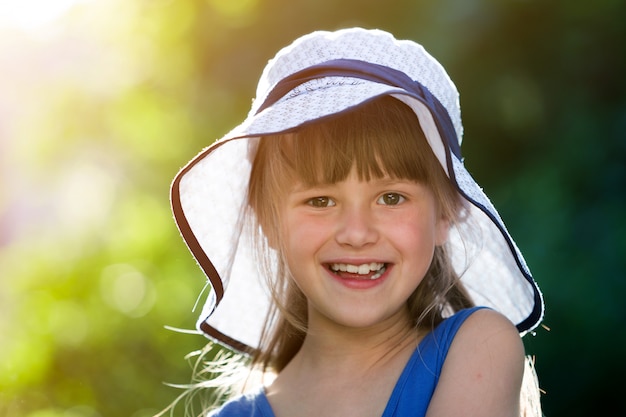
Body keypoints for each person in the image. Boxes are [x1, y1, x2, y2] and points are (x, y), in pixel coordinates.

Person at [169, 27, 544, 417]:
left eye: (391, 198)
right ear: (268, 220)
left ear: (446, 213)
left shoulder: (477, 347)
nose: (356, 234)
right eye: (320, 200)